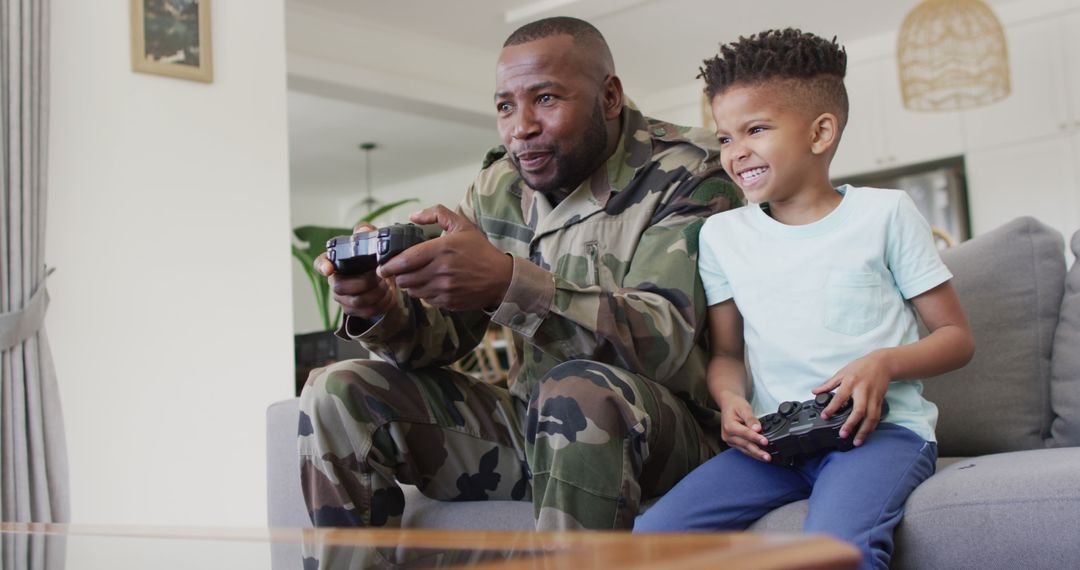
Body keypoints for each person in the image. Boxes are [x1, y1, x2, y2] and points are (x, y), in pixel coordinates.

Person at [298, 16, 740, 531]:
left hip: (665, 437)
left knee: (579, 391)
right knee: (338, 390)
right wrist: (381, 308)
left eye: (546, 99)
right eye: (505, 106)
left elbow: (665, 344)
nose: (520, 127)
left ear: (611, 97)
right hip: (534, 427)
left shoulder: (693, 170)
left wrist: (508, 283)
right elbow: (441, 342)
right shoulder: (496, 188)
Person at [633, 29, 975, 569]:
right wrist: (729, 403)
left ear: (820, 133)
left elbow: (957, 339)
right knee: (651, 538)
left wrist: (884, 362)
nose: (736, 151)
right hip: (775, 446)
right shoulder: (722, 236)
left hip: (879, 436)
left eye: (756, 129)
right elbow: (727, 356)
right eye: (724, 138)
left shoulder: (885, 215)